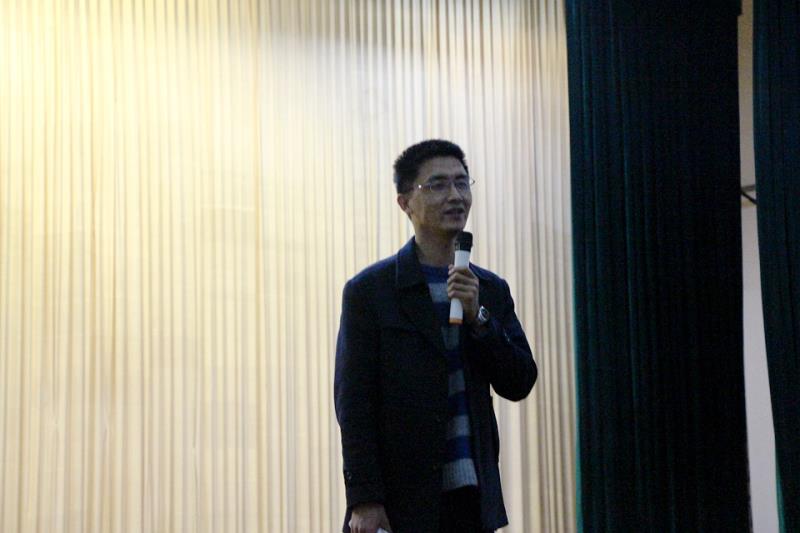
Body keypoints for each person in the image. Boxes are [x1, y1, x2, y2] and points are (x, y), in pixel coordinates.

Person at [334, 139, 537, 533]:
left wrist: (480, 318)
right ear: (405, 203)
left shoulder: (489, 289)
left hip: (472, 498)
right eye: (438, 185)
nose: (455, 195)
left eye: (462, 183)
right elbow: (354, 404)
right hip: (400, 499)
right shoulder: (370, 292)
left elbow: (520, 380)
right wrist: (365, 499)